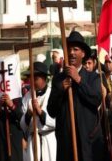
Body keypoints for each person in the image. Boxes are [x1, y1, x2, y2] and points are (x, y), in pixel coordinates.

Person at [46, 31, 105, 161]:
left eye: (76, 49)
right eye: (69, 49)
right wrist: (61, 89)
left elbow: (96, 99)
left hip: (88, 142)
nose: (71, 52)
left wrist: (79, 80)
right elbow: (51, 111)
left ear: (83, 54)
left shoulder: (92, 77)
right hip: (66, 143)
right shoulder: (58, 79)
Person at [21, 61, 55, 161]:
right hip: (33, 141)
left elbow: (57, 122)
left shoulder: (52, 94)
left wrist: (40, 113)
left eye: (35, 79)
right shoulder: (27, 97)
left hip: (48, 140)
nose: (32, 82)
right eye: (30, 79)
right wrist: (28, 114)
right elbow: (22, 126)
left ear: (44, 78)